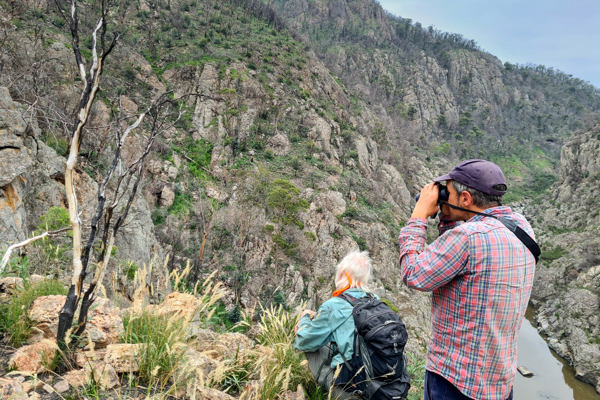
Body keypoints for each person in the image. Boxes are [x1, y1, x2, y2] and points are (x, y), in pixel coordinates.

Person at [398, 159, 536, 400]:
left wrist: (418, 216)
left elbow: (414, 274)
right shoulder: (522, 227)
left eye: (448, 192)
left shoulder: (467, 239)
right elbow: (460, 260)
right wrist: (449, 217)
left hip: (455, 383)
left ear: (465, 199)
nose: (443, 197)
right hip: (498, 383)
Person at [294, 250, 373, 399]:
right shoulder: (376, 302)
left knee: (312, 344)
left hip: (355, 391)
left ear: (343, 274)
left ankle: (325, 393)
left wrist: (305, 318)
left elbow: (303, 341)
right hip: (385, 388)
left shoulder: (334, 305)